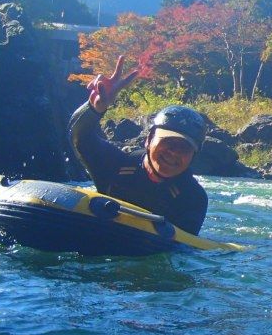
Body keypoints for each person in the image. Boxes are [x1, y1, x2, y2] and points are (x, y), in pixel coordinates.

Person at [69, 56, 209, 235]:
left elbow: (182, 249)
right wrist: (94, 109)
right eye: (167, 141)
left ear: (193, 157)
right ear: (148, 140)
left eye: (184, 148)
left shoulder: (193, 198)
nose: (174, 152)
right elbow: (79, 137)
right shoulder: (114, 164)